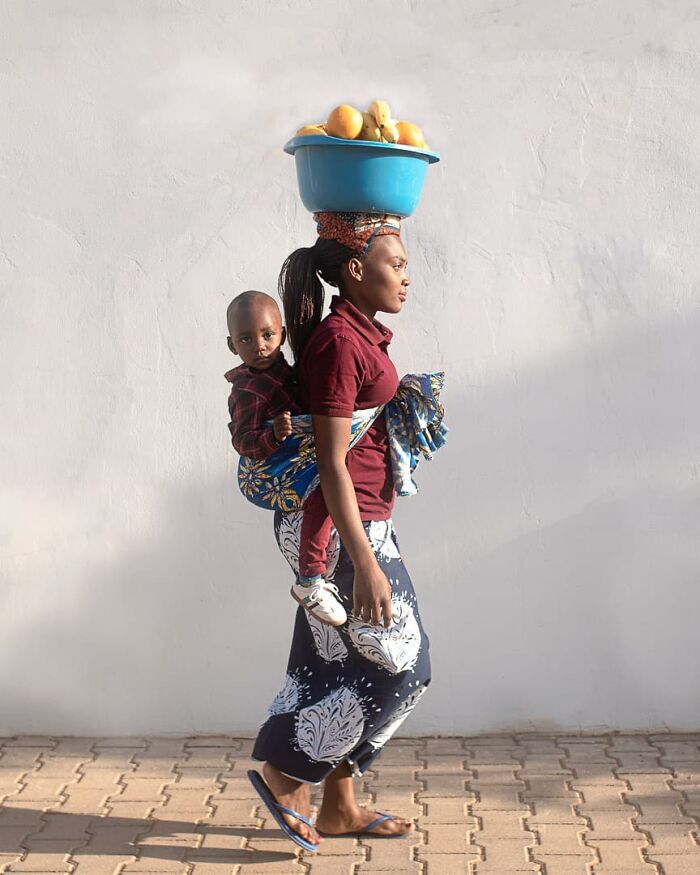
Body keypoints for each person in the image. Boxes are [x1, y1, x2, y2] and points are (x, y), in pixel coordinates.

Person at [247, 211, 432, 850]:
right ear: (356, 270)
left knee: (333, 666)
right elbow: (330, 461)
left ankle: (339, 807)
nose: (408, 277)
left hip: (359, 521)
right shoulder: (336, 344)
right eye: (397, 264)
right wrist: (365, 559)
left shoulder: (358, 332)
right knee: (404, 666)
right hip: (339, 530)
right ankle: (288, 773)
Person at [225, 290, 347, 626]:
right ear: (232, 345)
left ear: (282, 334)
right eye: (246, 339)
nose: (259, 346)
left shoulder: (287, 372)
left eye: (267, 335)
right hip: (276, 470)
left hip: (301, 457)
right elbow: (243, 440)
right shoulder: (248, 390)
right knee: (325, 490)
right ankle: (309, 579)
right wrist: (274, 435)